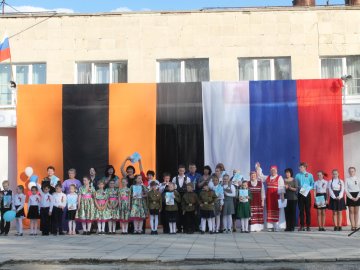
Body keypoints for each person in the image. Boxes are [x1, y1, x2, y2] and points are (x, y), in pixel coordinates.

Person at [258, 164, 285, 232]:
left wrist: (282, 195)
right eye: (272, 170)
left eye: (274, 170)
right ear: (270, 171)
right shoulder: (267, 177)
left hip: (276, 196)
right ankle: (270, 226)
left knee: (277, 210)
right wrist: (258, 168)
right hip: (269, 197)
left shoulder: (279, 177)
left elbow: (282, 187)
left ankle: (277, 226)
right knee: (269, 210)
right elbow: (260, 176)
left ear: (276, 171)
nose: (273, 171)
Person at [295, 162, 314, 231]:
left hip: (307, 193)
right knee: (301, 210)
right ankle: (302, 225)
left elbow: (313, 184)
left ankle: (308, 226)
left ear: (305, 167)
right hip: (300, 193)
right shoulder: (297, 175)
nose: (299, 168)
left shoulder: (310, 175)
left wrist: (308, 188)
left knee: (307, 210)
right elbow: (296, 185)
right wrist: (298, 187)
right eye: (299, 167)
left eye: (301, 167)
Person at [172, 164, 191, 233]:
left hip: (185, 196)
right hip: (177, 196)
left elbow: (190, 188)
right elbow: (173, 187)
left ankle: (185, 228)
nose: (181, 172)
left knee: (185, 212)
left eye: (183, 171)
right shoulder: (174, 178)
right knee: (178, 212)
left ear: (185, 171)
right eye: (180, 171)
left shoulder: (188, 178)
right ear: (178, 171)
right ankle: (179, 228)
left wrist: (187, 184)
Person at [345, 167, 360, 231]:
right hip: (350, 195)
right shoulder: (347, 179)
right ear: (348, 172)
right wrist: (351, 197)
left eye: (352, 171)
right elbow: (346, 189)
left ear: (355, 171)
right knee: (351, 211)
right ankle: (352, 226)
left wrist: (358, 196)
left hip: (357, 195)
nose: (351, 172)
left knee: (356, 211)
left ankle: (356, 225)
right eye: (350, 171)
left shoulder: (358, 179)